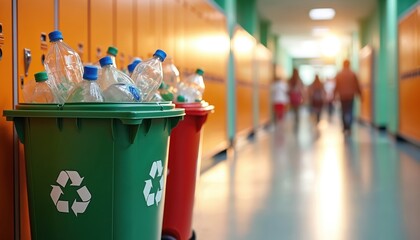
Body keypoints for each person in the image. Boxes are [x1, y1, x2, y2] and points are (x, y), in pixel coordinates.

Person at [334, 60, 362, 135]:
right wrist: (360, 94)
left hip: (342, 95)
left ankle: (345, 127)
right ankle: (349, 127)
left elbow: (336, 86)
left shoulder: (339, 74)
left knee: (343, 111)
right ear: (349, 64)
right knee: (350, 111)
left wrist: (334, 95)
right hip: (350, 95)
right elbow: (357, 85)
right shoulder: (352, 74)